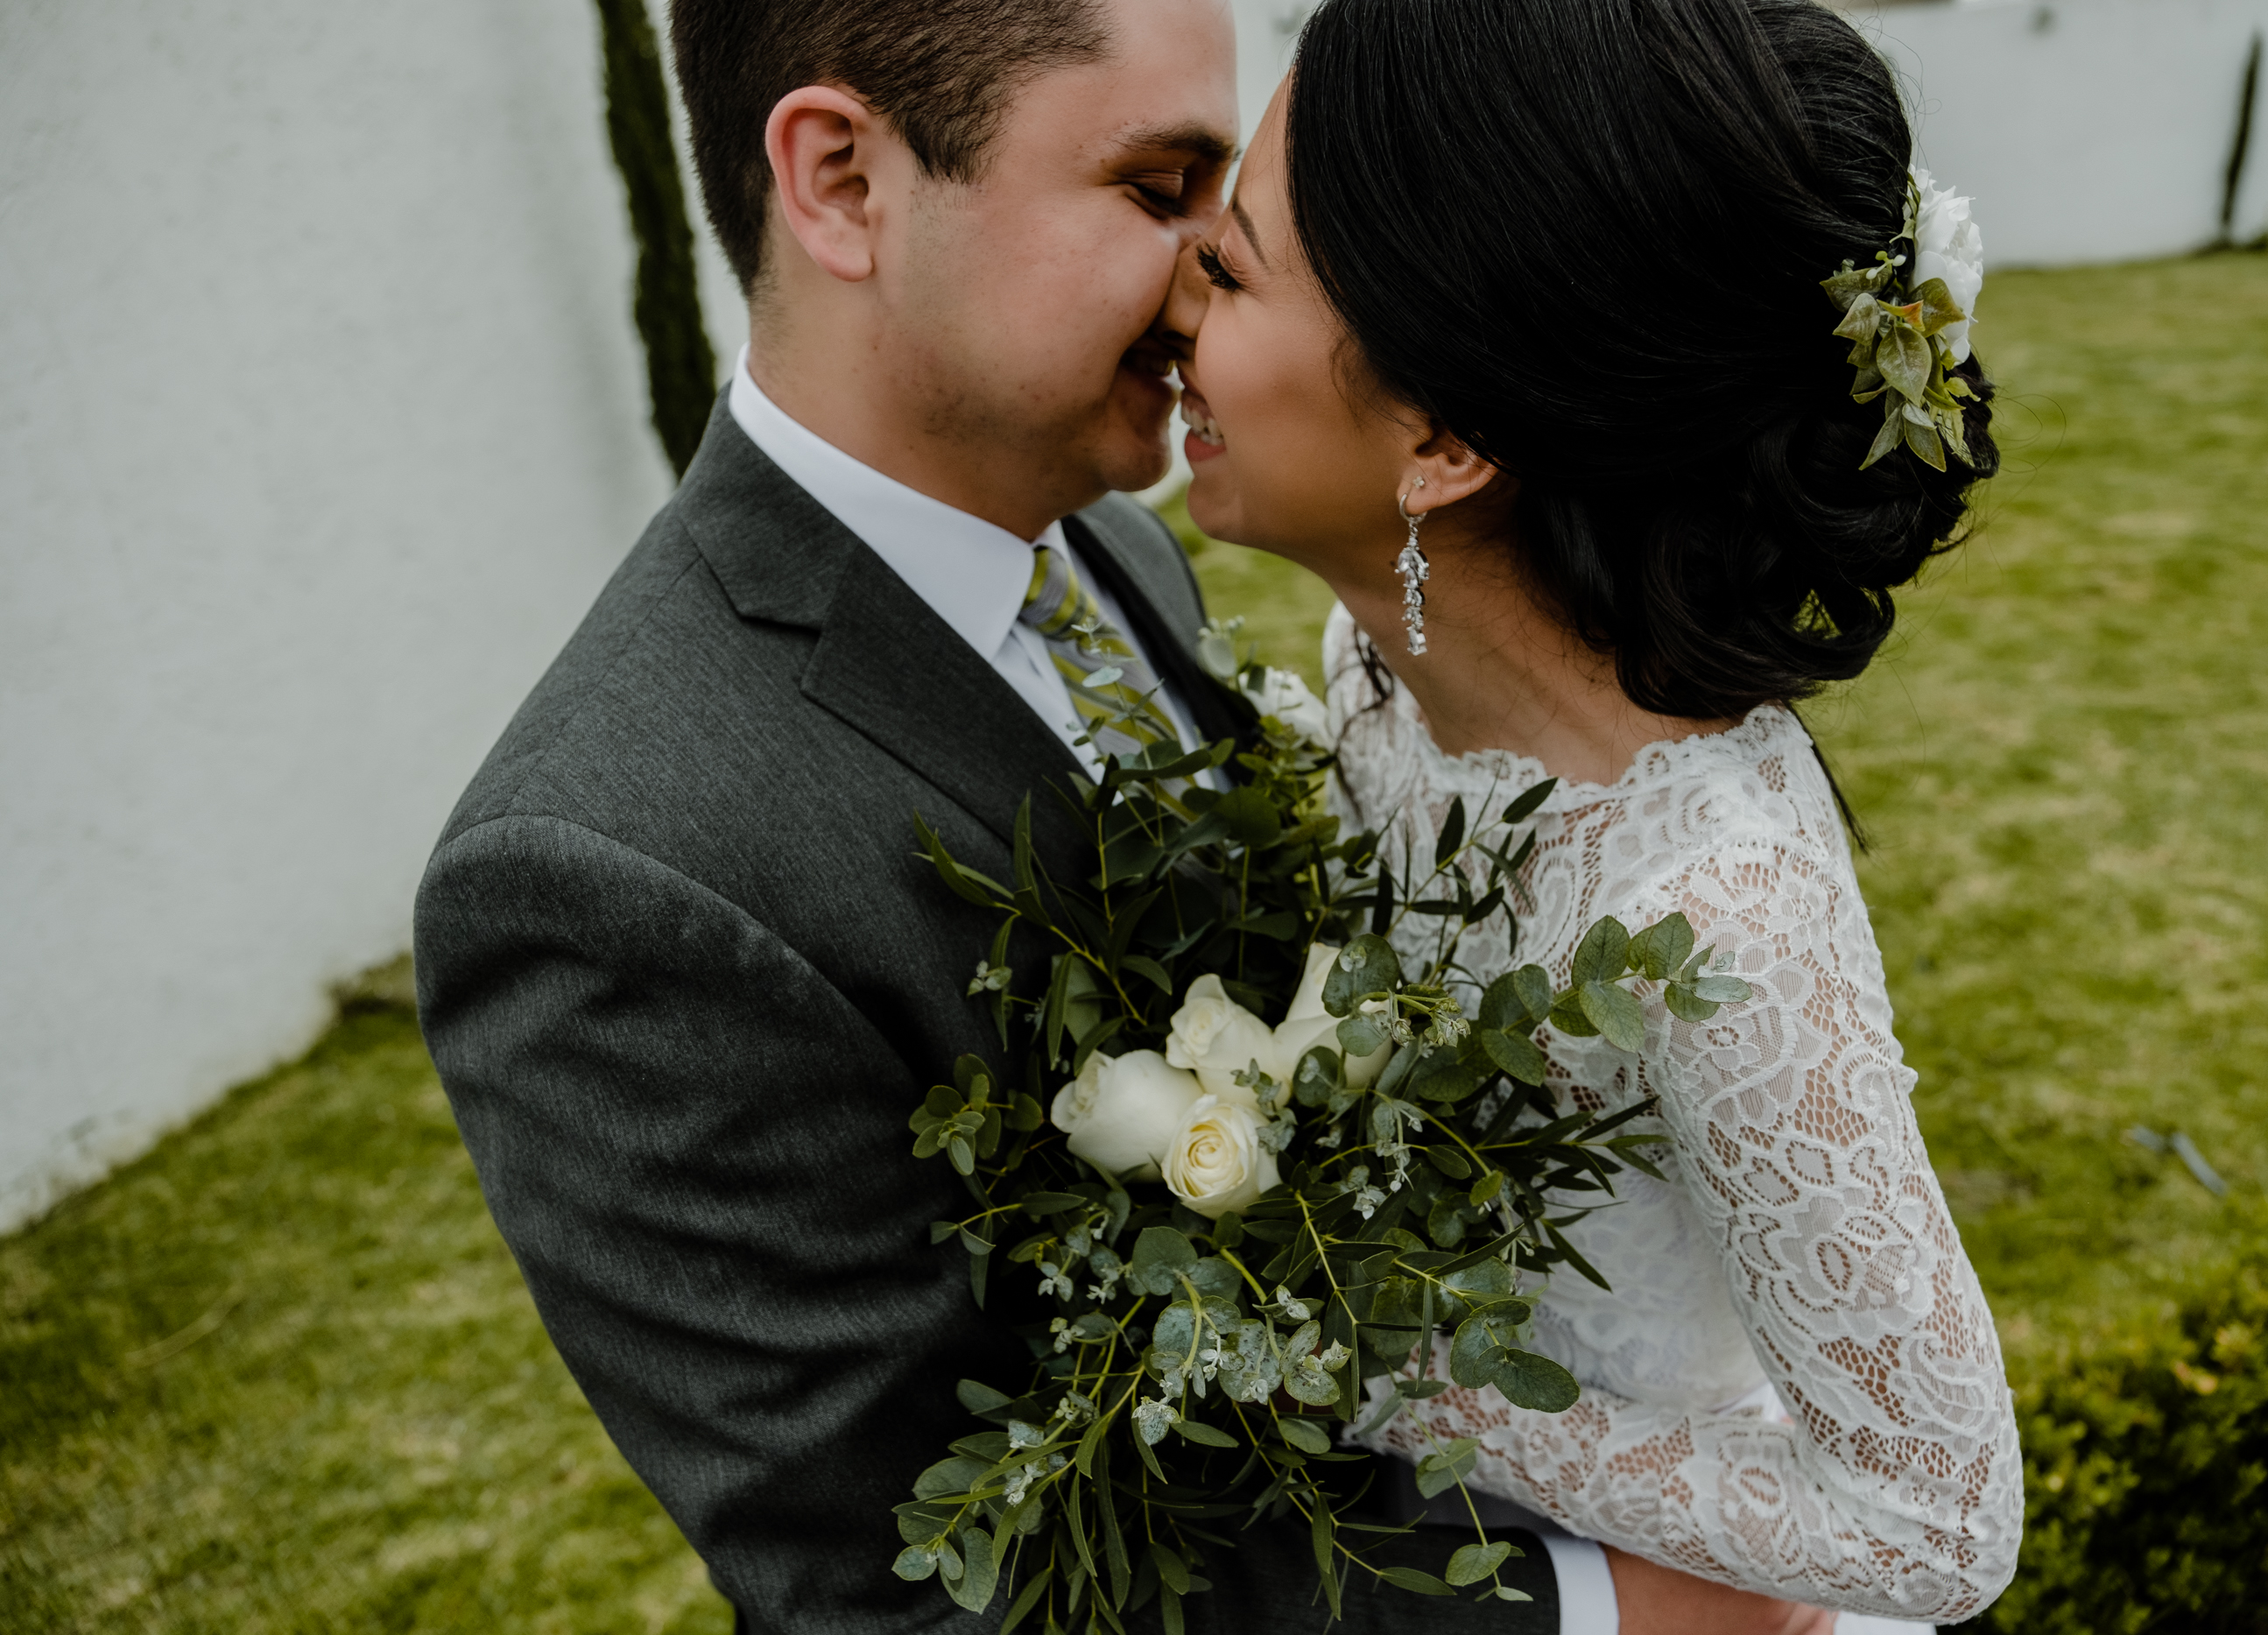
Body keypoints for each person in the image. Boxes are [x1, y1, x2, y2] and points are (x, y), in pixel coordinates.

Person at [413, 0, 1769, 1630]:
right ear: (842, 180)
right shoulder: (606, 872)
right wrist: (1591, 1613)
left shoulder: (1110, 545)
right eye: (1158, 187)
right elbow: (927, 1596)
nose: (1223, 270)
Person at [1159, 0, 2024, 1631]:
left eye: (1235, 266)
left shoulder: (1720, 918)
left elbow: (1938, 1523)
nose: (1172, 304)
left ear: (1445, 441)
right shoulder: (1376, 665)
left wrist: (1428, 1396)